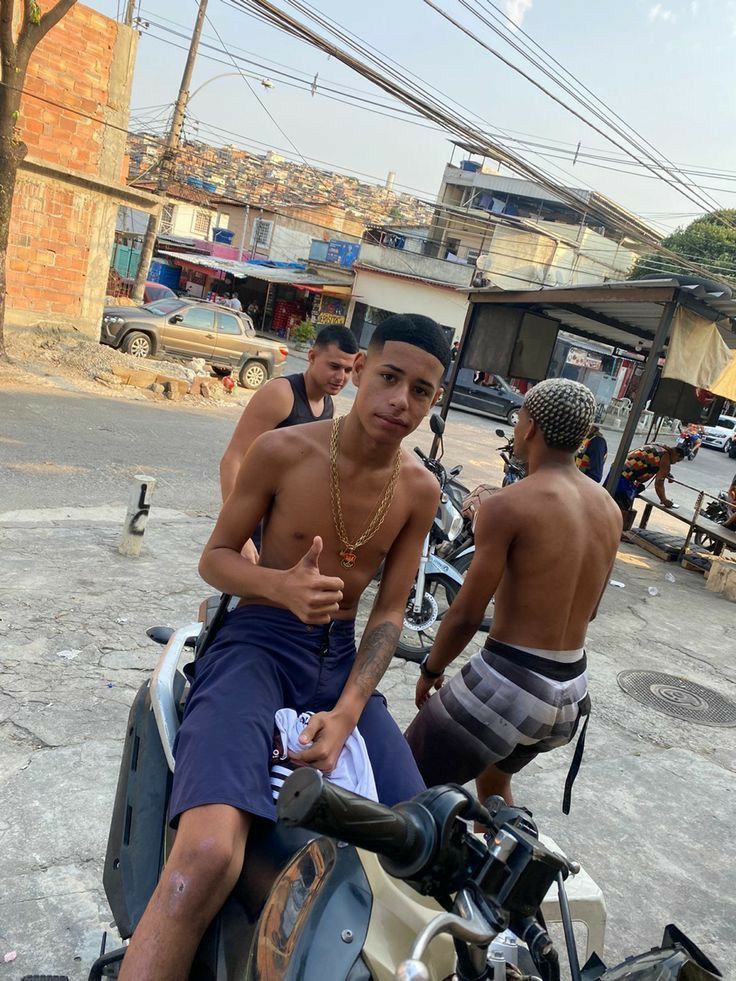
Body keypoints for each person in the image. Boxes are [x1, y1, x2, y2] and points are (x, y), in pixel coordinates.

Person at [118, 314, 451, 980]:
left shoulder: (420, 490)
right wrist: (279, 585)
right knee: (207, 855)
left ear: (432, 400)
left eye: (420, 390)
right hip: (257, 643)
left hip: (340, 663)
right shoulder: (286, 451)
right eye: (389, 377)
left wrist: (352, 710)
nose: (400, 402)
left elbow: (388, 609)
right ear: (359, 371)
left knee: (431, 856)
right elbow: (214, 560)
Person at [405, 378, 622, 808]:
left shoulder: (508, 504)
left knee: (402, 777)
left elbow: (466, 613)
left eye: (521, 416)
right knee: (492, 786)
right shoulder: (609, 509)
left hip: (512, 681)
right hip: (571, 694)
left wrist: (431, 670)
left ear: (530, 427)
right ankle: (504, 858)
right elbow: (591, 611)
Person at [219, 325, 359, 557]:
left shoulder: (328, 406)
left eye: (347, 369)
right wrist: (237, 534)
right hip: (251, 526)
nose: (340, 377)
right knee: (237, 593)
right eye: (334, 366)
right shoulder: (281, 394)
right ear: (312, 357)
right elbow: (232, 460)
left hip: (282, 533)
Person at [610, 433, 699, 512]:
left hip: (617, 467)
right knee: (615, 507)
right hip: (624, 476)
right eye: (677, 460)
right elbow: (659, 484)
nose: (674, 463)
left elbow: (649, 462)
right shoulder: (665, 458)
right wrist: (664, 500)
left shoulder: (660, 446)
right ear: (677, 454)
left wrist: (667, 474)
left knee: (606, 498)